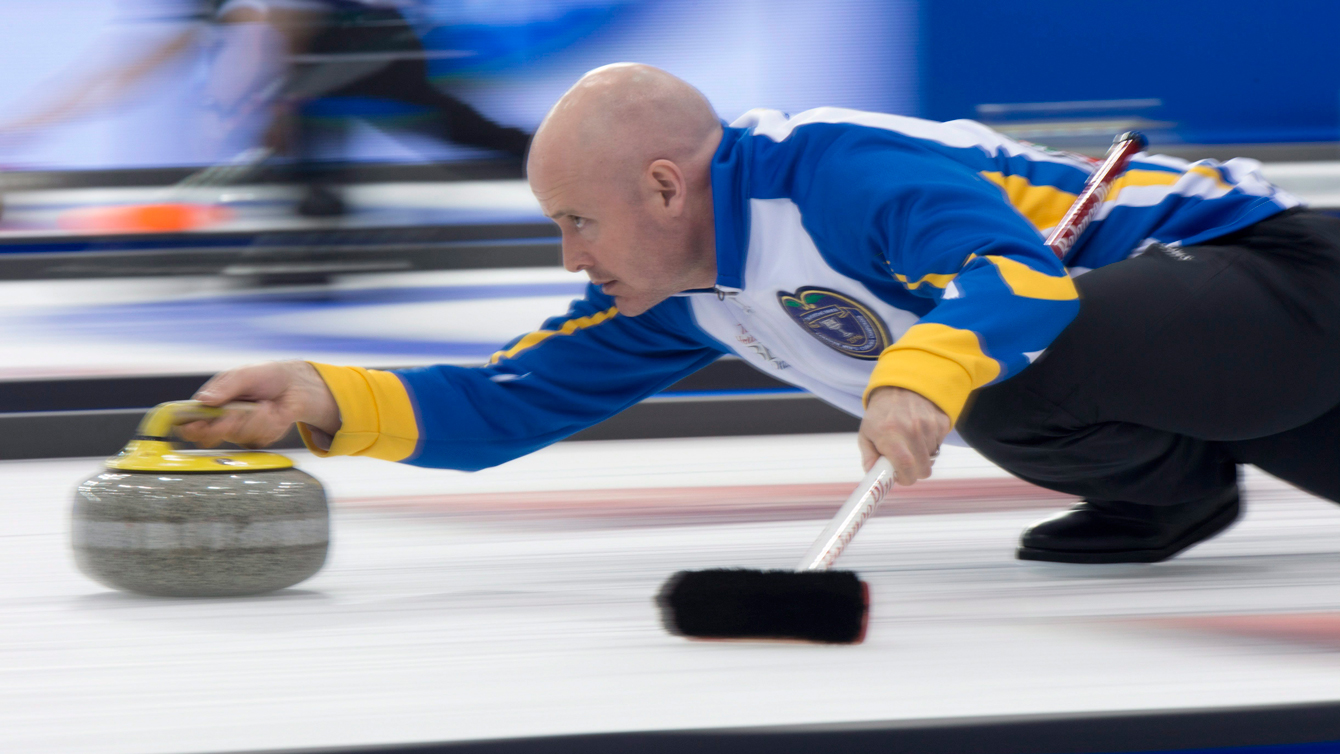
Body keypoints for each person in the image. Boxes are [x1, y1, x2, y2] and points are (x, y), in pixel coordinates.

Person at [180, 63, 1339, 566]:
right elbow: (509, 398)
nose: (566, 253)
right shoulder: (678, 292)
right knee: (1002, 384)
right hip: (1221, 364)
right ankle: (1177, 488)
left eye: (575, 221)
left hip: (1277, 275)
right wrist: (323, 399)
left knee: (1003, 369)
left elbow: (1017, 277)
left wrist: (910, 372)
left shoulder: (828, 169)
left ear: (665, 187)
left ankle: (1172, 486)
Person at [0, 0, 531, 216]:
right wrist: (27, 127)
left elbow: (278, 22)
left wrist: (253, 102)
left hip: (368, 45)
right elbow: (132, 70)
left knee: (459, 133)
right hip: (330, 57)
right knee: (312, 158)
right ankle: (317, 230)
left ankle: (551, 159)